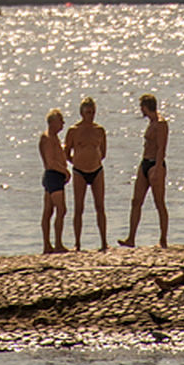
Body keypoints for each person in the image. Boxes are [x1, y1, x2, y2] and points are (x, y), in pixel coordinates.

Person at [118, 93, 169, 248]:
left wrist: (158, 168)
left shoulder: (160, 124)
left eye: (142, 107)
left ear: (146, 107)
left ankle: (163, 239)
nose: (141, 110)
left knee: (159, 202)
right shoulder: (151, 122)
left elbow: (161, 148)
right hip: (145, 163)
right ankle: (131, 238)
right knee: (136, 201)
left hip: (155, 164)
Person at [65, 96, 108, 251]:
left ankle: (104, 242)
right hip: (79, 172)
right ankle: (77, 243)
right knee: (78, 207)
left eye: (93, 112)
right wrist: (76, 161)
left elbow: (103, 152)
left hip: (96, 170)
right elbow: (66, 152)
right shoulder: (74, 131)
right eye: (88, 112)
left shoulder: (99, 130)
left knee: (100, 207)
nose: (90, 115)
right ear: (82, 113)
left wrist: (93, 159)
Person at [39, 109, 70, 254]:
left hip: (55, 177)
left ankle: (49, 245)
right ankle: (55, 244)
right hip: (53, 176)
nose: (63, 123)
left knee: (49, 211)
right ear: (53, 122)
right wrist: (65, 171)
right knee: (61, 209)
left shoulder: (55, 137)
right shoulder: (47, 138)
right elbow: (50, 162)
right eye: (60, 120)